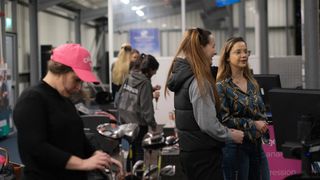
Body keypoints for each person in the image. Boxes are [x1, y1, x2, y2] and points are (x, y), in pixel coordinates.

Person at [13, 44, 124, 180]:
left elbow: (76, 135)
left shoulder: (64, 98)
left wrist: (96, 155)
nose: (79, 88)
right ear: (60, 70)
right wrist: (83, 163)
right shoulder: (32, 99)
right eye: (76, 80)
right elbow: (36, 148)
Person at [165, 27, 244, 180]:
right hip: (204, 156)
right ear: (201, 48)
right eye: (213, 46)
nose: (215, 51)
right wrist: (230, 135)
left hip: (190, 152)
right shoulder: (199, 81)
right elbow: (207, 124)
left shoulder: (184, 76)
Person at [216, 37, 270, 180]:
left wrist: (263, 123)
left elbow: (261, 110)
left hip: (257, 146)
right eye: (238, 52)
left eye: (246, 51)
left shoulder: (253, 82)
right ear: (227, 57)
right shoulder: (222, 86)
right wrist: (253, 124)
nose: (244, 55)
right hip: (236, 148)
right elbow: (225, 119)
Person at [116, 53, 159, 171]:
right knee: (139, 153)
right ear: (150, 69)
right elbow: (146, 108)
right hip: (139, 125)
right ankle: (138, 176)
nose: (155, 73)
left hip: (125, 121)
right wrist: (153, 125)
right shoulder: (145, 82)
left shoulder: (129, 76)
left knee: (129, 152)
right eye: (155, 71)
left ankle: (129, 174)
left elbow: (118, 98)